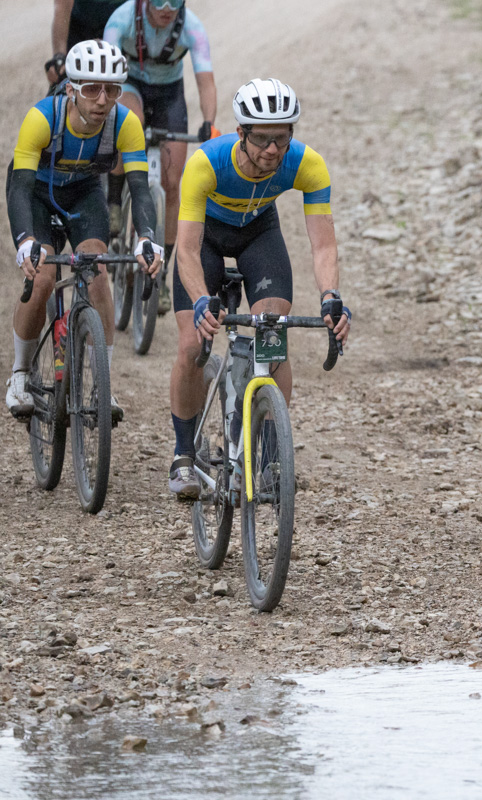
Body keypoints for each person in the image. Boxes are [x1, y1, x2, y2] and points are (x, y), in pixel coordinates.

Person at [169, 78, 350, 499]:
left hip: (258, 234)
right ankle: (182, 454)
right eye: (264, 139)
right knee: (189, 345)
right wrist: (199, 300)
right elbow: (187, 251)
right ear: (241, 134)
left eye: (282, 138)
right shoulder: (206, 164)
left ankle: (265, 454)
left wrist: (330, 297)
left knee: (273, 334)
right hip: (208, 241)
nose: (273, 150)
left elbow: (323, 244)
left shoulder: (307, 164)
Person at [7, 39, 162, 418]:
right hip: (38, 193)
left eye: (112, 90)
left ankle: (102, 384)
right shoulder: (42, 117)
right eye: (91, 89)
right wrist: (26, 239)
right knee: (42, 279)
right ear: (72, 89)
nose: (102, 99)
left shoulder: (125, 123)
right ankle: (20, 373)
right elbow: (20, 187)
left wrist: (147, 238)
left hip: (82, 193)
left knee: (97, 276)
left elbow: (139, 187)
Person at [105, 0, 217, 314]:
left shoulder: (192, 27)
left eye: (175, 0)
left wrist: (209, 122)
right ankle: (114, 200)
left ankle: (163, 274)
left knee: (172, 183)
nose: (167, 8)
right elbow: (107, 75)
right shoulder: (122, 19)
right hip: (129, 85)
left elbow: (205, 81)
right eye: (158, 0)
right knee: (128, 127)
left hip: (169, 95)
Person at [44, 0, 127, 86]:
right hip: (81, 29)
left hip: (124, 29)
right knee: (63, 77)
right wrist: (59, 57)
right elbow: (61, 10)